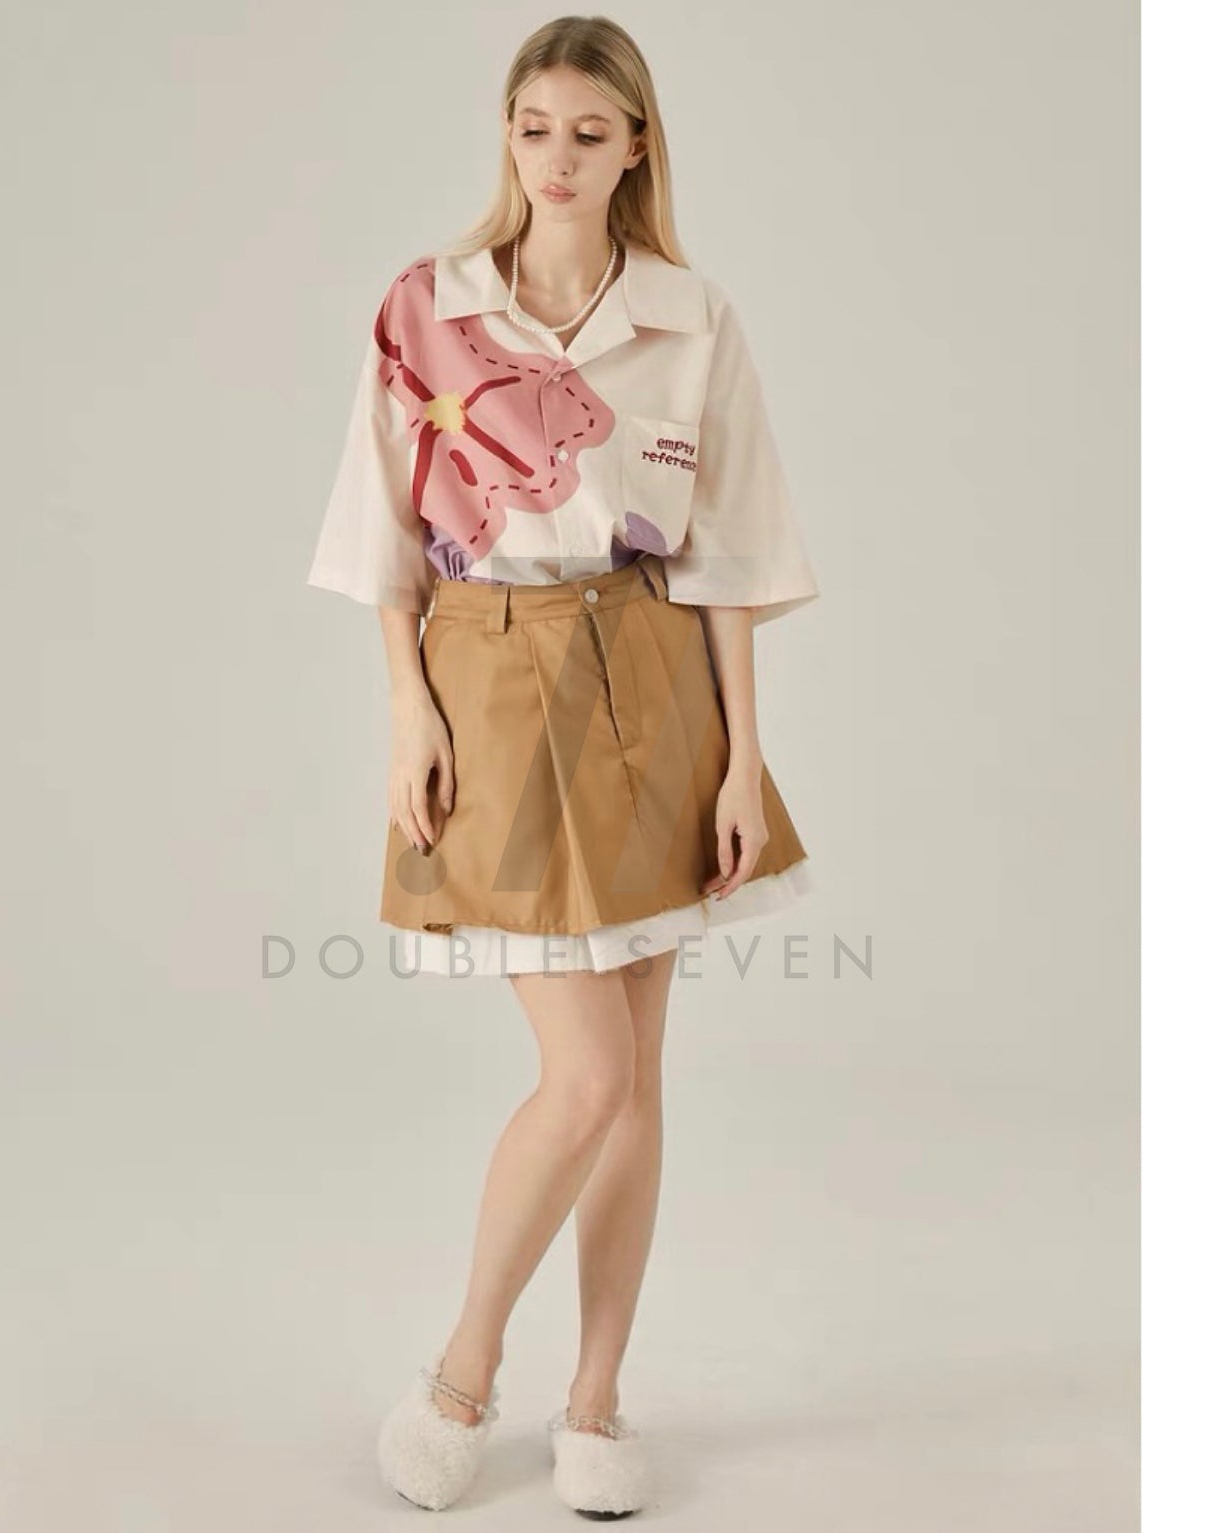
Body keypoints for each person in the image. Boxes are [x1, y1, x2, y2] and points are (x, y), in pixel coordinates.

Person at [304, 15, 820, 1517]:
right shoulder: (428, 307)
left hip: (654, 679)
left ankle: (595, 1401)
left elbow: (729, 556)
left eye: (590, 132)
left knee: (636, 1078)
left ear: (637, 146)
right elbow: (383, 530)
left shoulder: (688, 317)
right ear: (507, 135)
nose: (557, 157)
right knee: (584, 1073)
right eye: (534, 128)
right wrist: (409, 710)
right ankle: (462, 1372)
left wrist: (743, 760)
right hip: (488, 670)